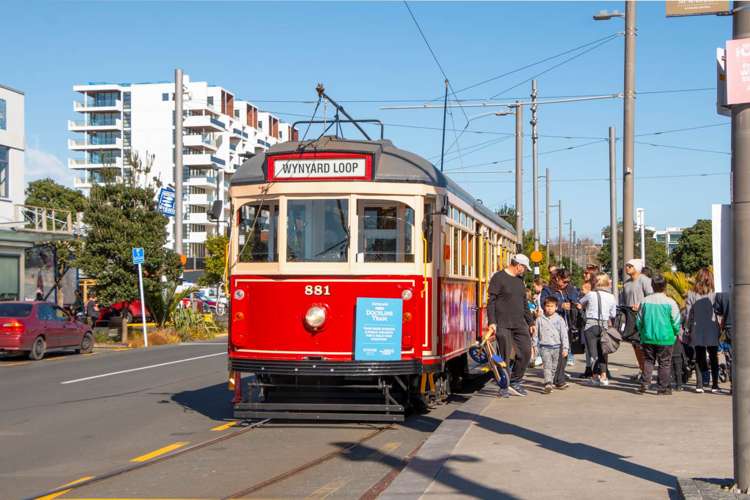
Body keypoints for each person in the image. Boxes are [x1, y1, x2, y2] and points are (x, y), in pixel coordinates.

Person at [487, 254, 534, 398]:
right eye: (524, 268)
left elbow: (524, 303)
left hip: (519, 323)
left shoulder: (520, 281)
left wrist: (530, 322)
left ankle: (515, 380)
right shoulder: (498, 278)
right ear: (518, 265)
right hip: (503, 323)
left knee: (526, 352)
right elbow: (491, 301)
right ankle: (504, 386)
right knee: (504, 357)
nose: (525, 270)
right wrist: (492, 322)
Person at [636, 274, 681, 395]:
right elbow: (676, 320)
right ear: (665, 286)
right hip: (666, 338)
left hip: (648, 337)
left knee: (648, 361)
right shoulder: (670, 302)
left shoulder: (645, 301)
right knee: (665, 362)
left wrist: (641, 332)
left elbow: (639, 320)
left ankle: (645, 383)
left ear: (652, 286)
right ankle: (662, 388)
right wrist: (676, 332)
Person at [540, 269, 579, 387]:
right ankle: (553, 380)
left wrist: (574, 304)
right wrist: (561, 305)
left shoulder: (570, 289)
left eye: (568, 281)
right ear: (557, 278)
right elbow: (544, 304)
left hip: (568, 325)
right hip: (552, 326)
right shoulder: (548, 290)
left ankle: (559, 379)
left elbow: (575, 300)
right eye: (564, 281)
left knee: (564, 353)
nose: (566, 284)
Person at [685, 268, 722, 394]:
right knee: (713, 356)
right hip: (711, 327)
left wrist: (687, 328)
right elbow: (719, 312)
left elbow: (688, 314)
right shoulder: (715, 294)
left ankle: (699, 385)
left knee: (699, 356)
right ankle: (715, 385)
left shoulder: (691, 294)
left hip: (697, 327)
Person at [580, 273, 618, 386]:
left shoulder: (590, 295)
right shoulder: (611, 297)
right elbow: (613, 314)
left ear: (595, 283)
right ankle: (604, 376)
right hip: (604, 326)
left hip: (590, 325)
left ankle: (595, 376)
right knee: (602, 352)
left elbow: (580, 303)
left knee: (593, 353)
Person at [621, 258, 653, 380]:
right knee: (635, 344)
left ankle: (646, 372)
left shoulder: (645, 280)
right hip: (630, 317)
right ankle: (642, 370)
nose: (627, 268)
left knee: (643, 345)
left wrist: (640, 305)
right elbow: (623, 299)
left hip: (644, 317)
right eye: (627, 265)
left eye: (630, 266)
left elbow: (651, 296)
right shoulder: (626, 283)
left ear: (637, 268)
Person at [534, 296, 569, 394]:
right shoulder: (539, 320)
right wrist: (534, 346)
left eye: (552, 306)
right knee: (547, 366)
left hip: (557, 347)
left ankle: (551, 381)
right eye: (547, 306)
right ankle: (548, 383)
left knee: (554, 367)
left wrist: (565, 348)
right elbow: (535, 334)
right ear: (544, 307)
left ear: (556, 307)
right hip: (544, 347)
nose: (549, 308)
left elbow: (564, 335)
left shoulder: (560, 320)